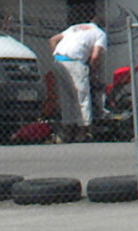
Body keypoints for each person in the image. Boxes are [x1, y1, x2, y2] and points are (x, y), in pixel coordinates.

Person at [48, 13, 107, 142]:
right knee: (82, 96)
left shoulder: (74, 28)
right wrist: (92, 71)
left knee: (66, 96)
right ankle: (84, 130)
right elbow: (96, 56)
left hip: (58, 61)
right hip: (75, 61)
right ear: (102, 26)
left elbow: (52, 40)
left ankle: (68, 129)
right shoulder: (100, 33)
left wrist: (55, 56)